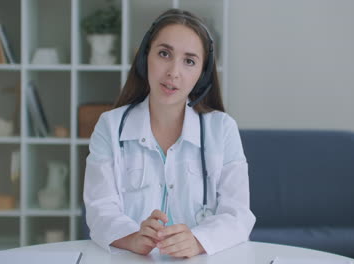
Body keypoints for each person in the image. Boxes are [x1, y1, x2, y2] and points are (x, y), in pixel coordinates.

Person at [84, 8, 255, 258]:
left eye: (189, 61)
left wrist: (197, 240)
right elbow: (99, 209)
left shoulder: (223, 129)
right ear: (145, 58)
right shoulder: (110, 126)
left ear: (202, 73)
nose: (173, 72)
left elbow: (238, 215)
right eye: (164, 54)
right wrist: (132, 238)